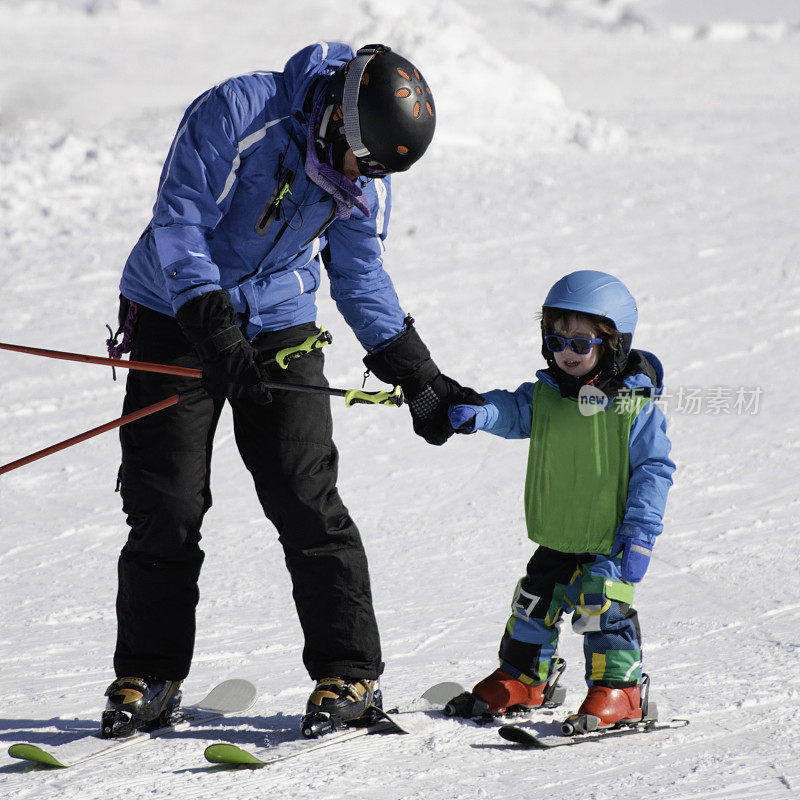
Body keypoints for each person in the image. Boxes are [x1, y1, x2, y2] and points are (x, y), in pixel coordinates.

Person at [101, 41, 482, 739]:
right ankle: (149, 673)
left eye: (373, 172)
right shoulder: (239, 111)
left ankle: (350, 673)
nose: (360, 180)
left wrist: (416, 371)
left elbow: (360, 275)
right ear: (337, 118)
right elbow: (179, 221)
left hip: (280, 323)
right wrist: (211, 326)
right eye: (359, 161)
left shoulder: (363, 177)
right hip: (175, 313)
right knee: (167, 500)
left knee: (305, 495)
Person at [444, 270, 675, 730]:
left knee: (600, 609)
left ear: (612, 344)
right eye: (556, 340)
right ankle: (524, 678)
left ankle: (621, 691)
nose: (565, 353)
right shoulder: (546, 396)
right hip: (559, 531)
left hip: (609, 538)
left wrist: (641, 532)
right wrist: (480, 411)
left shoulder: (633, 407)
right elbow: (511, 410)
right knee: (533, 602)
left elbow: (654, 471)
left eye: (580, 343)